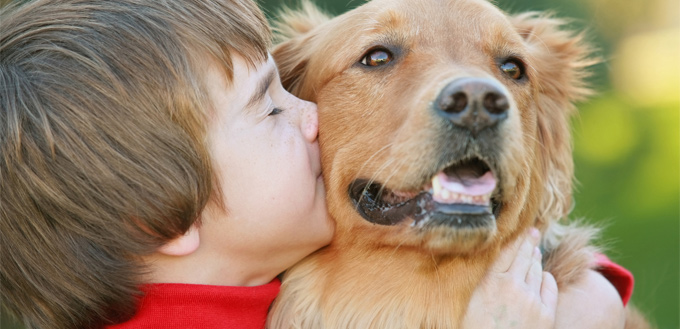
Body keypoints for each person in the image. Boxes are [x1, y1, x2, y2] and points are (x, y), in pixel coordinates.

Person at [0, 0, 630, 328]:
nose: (310, 117)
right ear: (162, 216)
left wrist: (592, 297)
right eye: (378, 58)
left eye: (509, 72)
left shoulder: (248, 262)